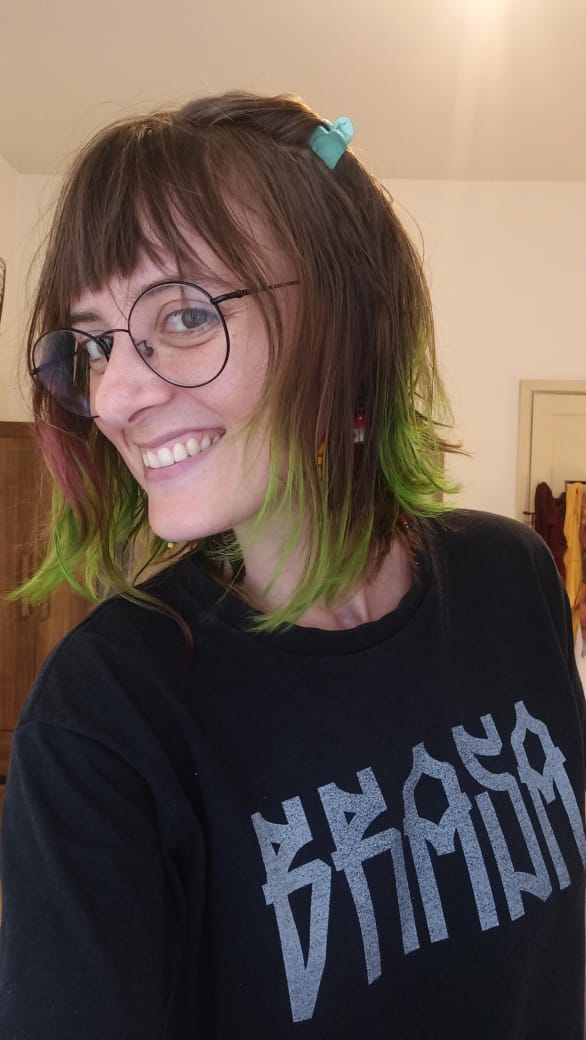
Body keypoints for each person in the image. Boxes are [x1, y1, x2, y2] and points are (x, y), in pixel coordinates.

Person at [0, 92, 584, 1040]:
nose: (113, 397)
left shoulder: (514, 578)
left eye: (186, 314)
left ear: (350, 322)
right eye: (94, 344)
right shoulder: (104, 714)